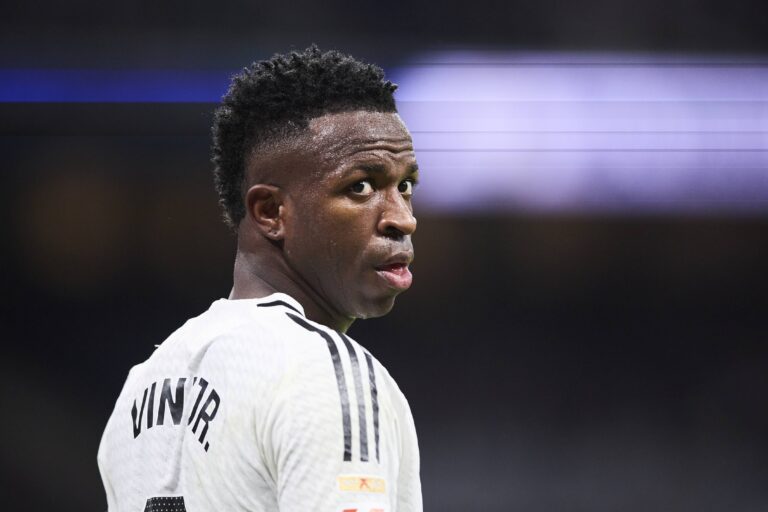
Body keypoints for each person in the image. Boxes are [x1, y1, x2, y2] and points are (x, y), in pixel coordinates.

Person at [97, 46, 422, 512]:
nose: (402, 218)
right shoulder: (325, 369)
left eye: (405, 185)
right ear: (271, 212)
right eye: (362, 187)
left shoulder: (142, 385)